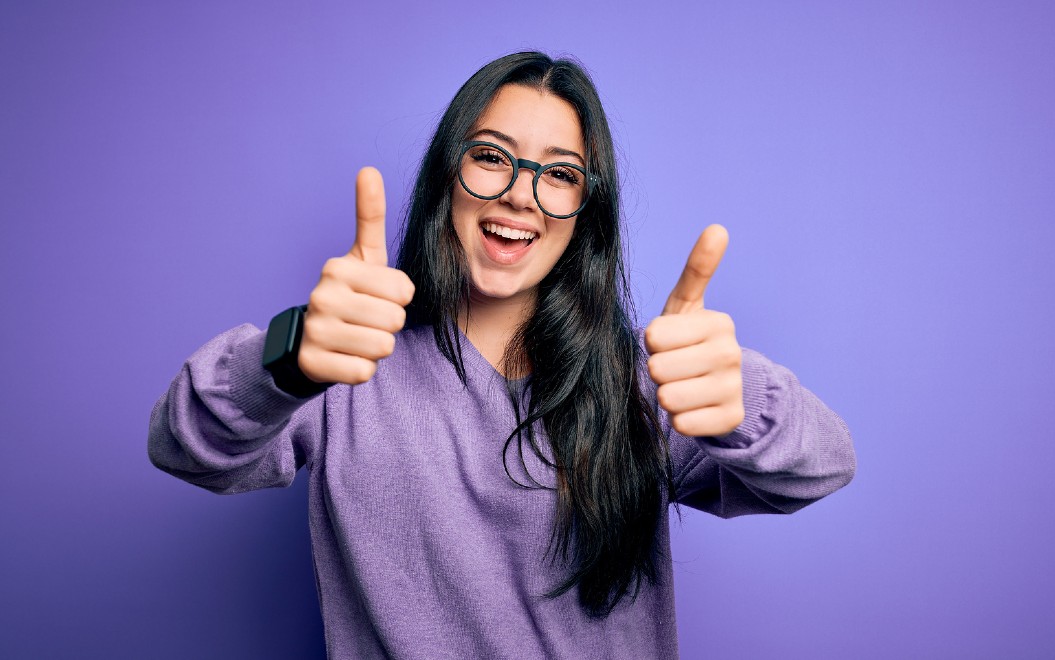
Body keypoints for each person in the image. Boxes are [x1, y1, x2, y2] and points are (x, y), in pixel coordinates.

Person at [148, 51, 856, 659]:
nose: (521, 194)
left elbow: (821, 468)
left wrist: (744, 400)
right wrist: (292, 355)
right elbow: (185, 447)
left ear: (587, 213)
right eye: (490, 157)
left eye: (559, 174)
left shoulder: (650, 387)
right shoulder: (346, 366)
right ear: (446, 180)